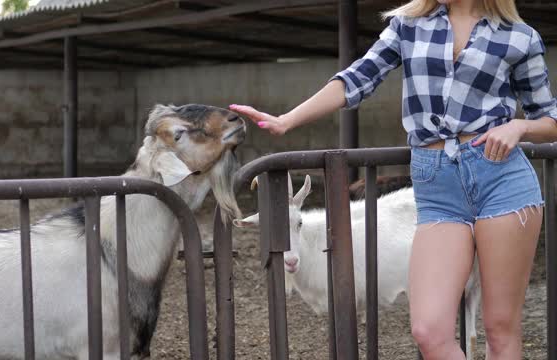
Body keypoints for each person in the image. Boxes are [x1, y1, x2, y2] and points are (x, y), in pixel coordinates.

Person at [229, 0, 557, 358]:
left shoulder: (520, 37)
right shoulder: (408, 24)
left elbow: (550, 119)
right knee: (429, 331)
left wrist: (520, 126)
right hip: (437, 188)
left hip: (502, 180)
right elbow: (358, 77)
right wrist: (287, 120)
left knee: (499, 328)